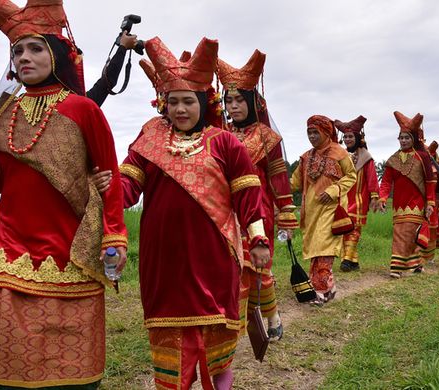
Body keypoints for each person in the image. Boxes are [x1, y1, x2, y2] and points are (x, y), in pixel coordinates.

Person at [0, 1, 128, 387]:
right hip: (9, 249)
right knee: (6, 350)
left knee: (69, 361)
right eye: (17, 51)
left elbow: (110, 176)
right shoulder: (4, 112)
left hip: (69, 246)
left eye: (35, 48)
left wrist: (115, 235)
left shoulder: (85, 110)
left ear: (57, 54)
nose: (24, 57)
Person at [117, 36, 269, 389]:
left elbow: (248, 194)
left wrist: (257, 237)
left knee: (217, 342)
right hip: (163, 261)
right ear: (163, 104)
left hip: (215, 256)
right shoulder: (149, 139)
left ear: (204, 101)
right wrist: (100, 186)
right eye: (173, 102)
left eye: (188, 101)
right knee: (171, 345)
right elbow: (126, 188)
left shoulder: (225, 142)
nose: (180, 109)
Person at [218, 49, 298, 341]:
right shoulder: (219, 134)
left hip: (258, 210)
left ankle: (273, 315)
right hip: (226, 210)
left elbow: (279, 179)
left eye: (239, 100)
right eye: (228, 99)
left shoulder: (267, 137)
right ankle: (235, 324)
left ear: (253, 102)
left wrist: (286, 218)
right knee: (230, 268)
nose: (233, 105)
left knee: (258, 266)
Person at [290, 115, 356, 305]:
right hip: (311, 212)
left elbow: (351, 176)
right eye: (309, 132)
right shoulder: (306, 157)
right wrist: (274, 184)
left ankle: (320, 291)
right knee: (315, 250)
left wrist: (334, 189)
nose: (311, 136)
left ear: (326, 132)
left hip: (331, 209)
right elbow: (294, 182)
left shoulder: (339, 153)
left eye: (315, 132)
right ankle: (328, 288)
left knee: (324, 247)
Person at [376, 112, 436, 278]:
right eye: (401, 138)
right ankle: (414, 264)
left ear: (413, 139)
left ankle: (398, 267)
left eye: (406, 138)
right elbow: (386, 182)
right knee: (401, 233)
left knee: (410, 232)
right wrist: (382, 197)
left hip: (417, 203)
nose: (403, 141)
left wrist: (430, 203)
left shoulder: (422, 157)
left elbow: (430, 182)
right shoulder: (393, 160)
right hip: (398, 205)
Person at [334, 115, 378, 272]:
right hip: (344, 198)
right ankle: (353, 260)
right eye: (345, 136)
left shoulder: (366, 157)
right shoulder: (341, 155)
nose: (347, 139)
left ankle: (346, 260)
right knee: (345, 228)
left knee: (354, 228)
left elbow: (372, 178)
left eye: (350, 136)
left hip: (359, 198)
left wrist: (374, 196)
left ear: (358, 137)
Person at [87, 31, 141, 106]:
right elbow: (107, 82)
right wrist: (123, 47)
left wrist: (123, 46)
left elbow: (106, 83)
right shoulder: (78, 103)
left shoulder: (74, 100)